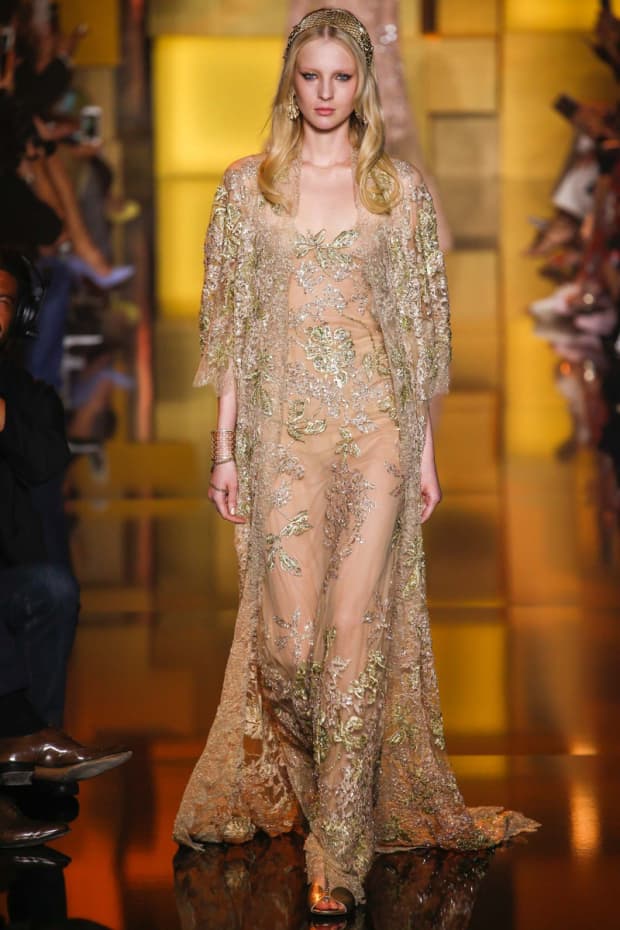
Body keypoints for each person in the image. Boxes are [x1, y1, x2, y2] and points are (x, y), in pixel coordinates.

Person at [174, 8, 538, 918]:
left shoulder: (396, 191)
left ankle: (338, 852)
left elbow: (418, 335)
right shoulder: (248, 187)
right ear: (290, 82)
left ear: (362, 84)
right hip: (281, 436)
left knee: (349, 636)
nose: (326, 93)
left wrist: (425, 451)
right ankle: (332, 783)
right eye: (312, 77)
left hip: (376, 431)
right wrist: (224, 450)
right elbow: (232, 328)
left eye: (342, 77)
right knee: (288, 648)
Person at [0, 249, 131, 849]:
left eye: (1, 302)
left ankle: (33, 763)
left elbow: (47, 461)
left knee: (52, 590)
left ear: (20, 315)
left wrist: (3, 419)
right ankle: (25, 739)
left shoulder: (25, 394)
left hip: (10, 578)